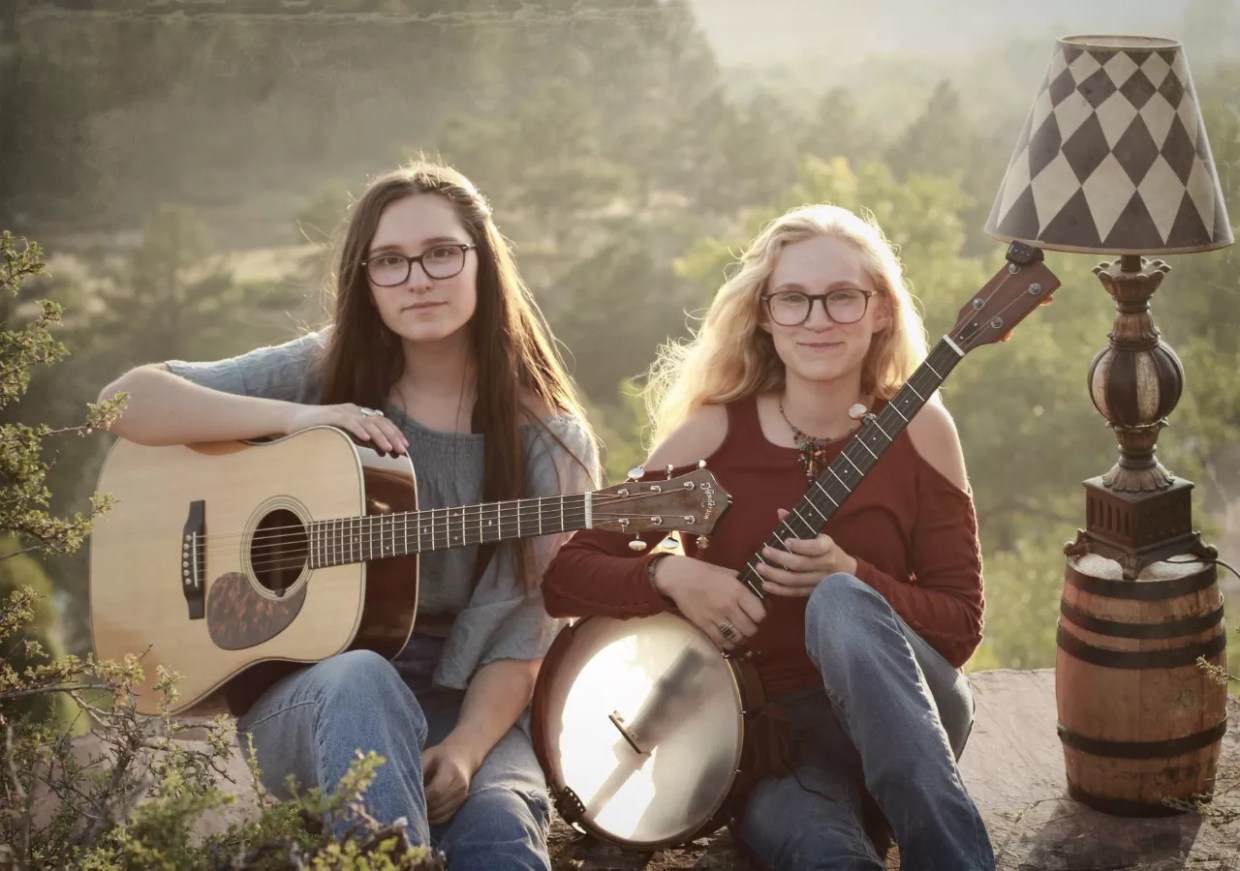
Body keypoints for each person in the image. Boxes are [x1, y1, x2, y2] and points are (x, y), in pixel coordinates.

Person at [98, 161, 599, 870]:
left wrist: (463, 751)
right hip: (317, 700)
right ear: (365, 279)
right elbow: (124, 402)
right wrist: (303, 414)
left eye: (441, 253)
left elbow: (521, 642)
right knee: (361, 674)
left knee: (499, 831)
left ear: (483, 262)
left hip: (469, 705)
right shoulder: (326, 367)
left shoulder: (551, 442)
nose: (418, 277)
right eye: (389, 261)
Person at [541, 204, 995, 870]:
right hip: (774, 742)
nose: (817, 319)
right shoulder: (711, 437)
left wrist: (853, 576)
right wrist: (671, 575)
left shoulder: (922, 428)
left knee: (839, 601)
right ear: (764, 314)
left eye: (842, 297)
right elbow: (566, 575)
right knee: (827, 855)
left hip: (910, 712)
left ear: (881, 313)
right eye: (794, 299)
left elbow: (959, 628)